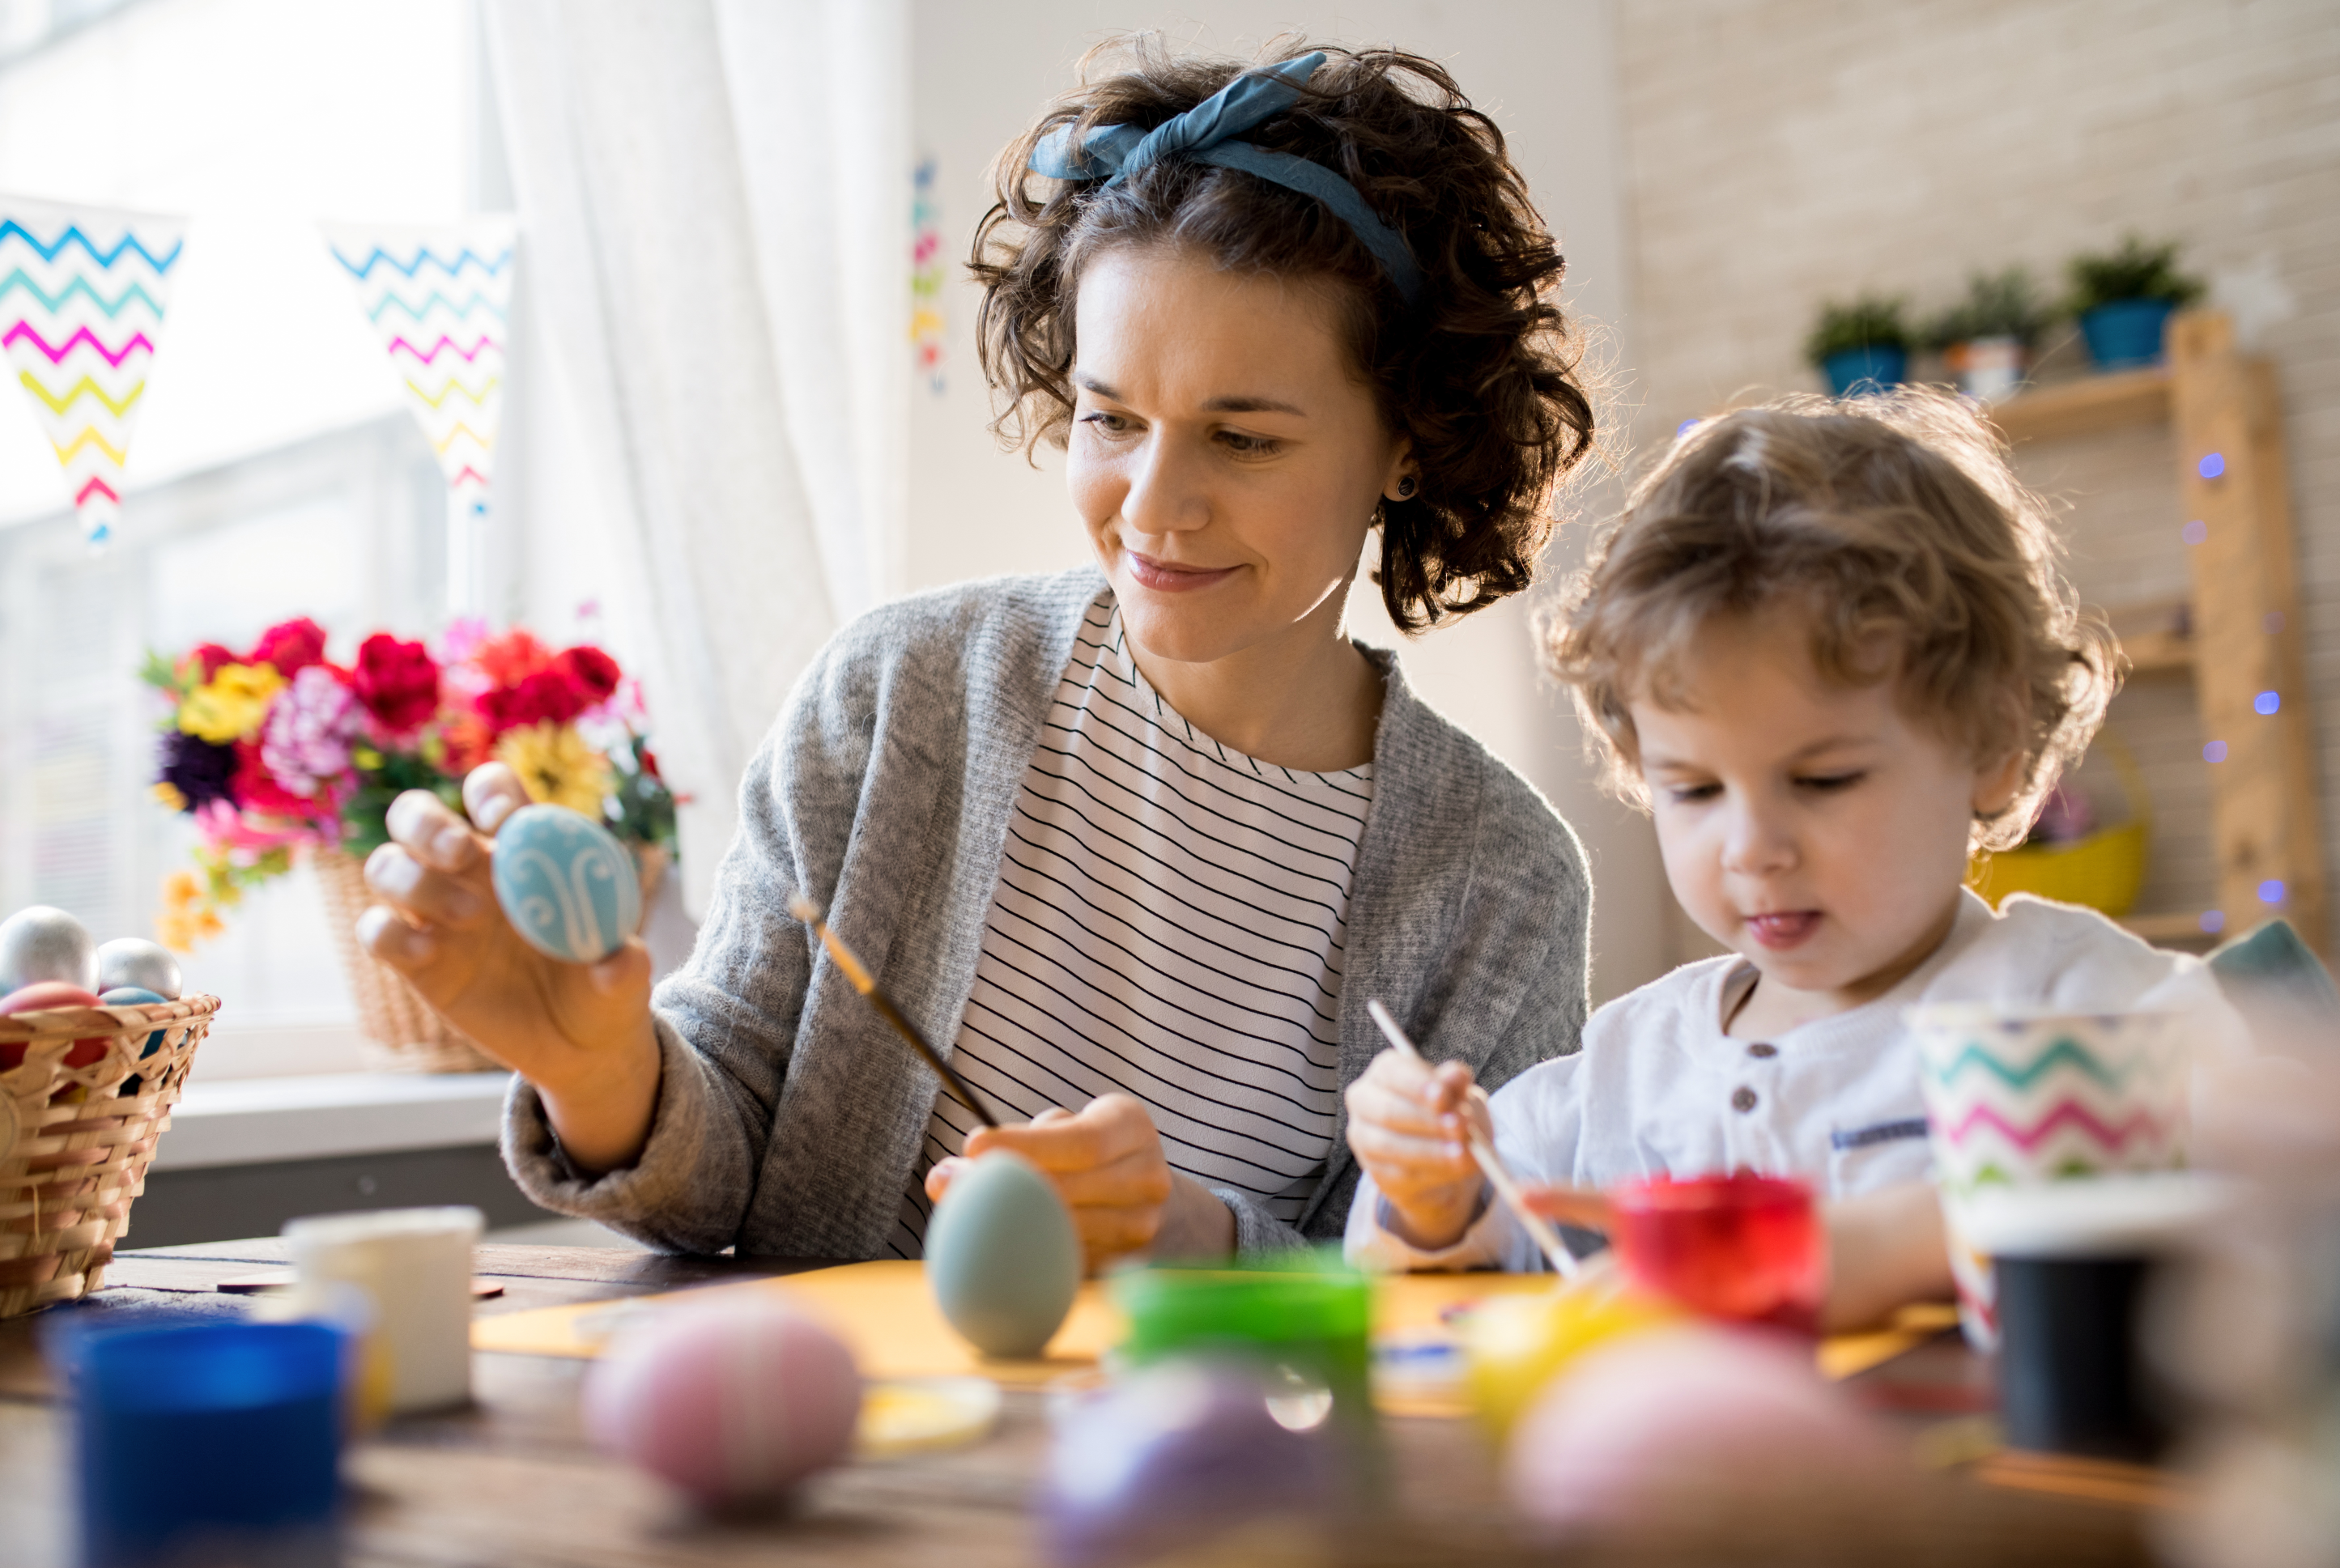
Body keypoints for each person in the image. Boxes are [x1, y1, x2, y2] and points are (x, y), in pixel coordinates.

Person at [360, 38, 1599, 1267]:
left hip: (1237, 1466)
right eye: (1111, 418)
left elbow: (1495, 1293)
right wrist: (597, 1068)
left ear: (1407, 443)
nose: (1153, 505)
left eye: (1244, 439)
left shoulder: (1499, 885)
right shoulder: (900, 698)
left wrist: (1203, 1240)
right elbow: (719, 1168)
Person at [1341, 388, 2248, 1328]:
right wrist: (1435, 1194)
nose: (1751, 849)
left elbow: (2267, 1159)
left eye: (1821, 780)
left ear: (1992, 745)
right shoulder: (1632, 1060)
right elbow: (1466, 1248)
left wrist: (1899, 1242)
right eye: (1693, 790)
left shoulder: (2071, 1004)